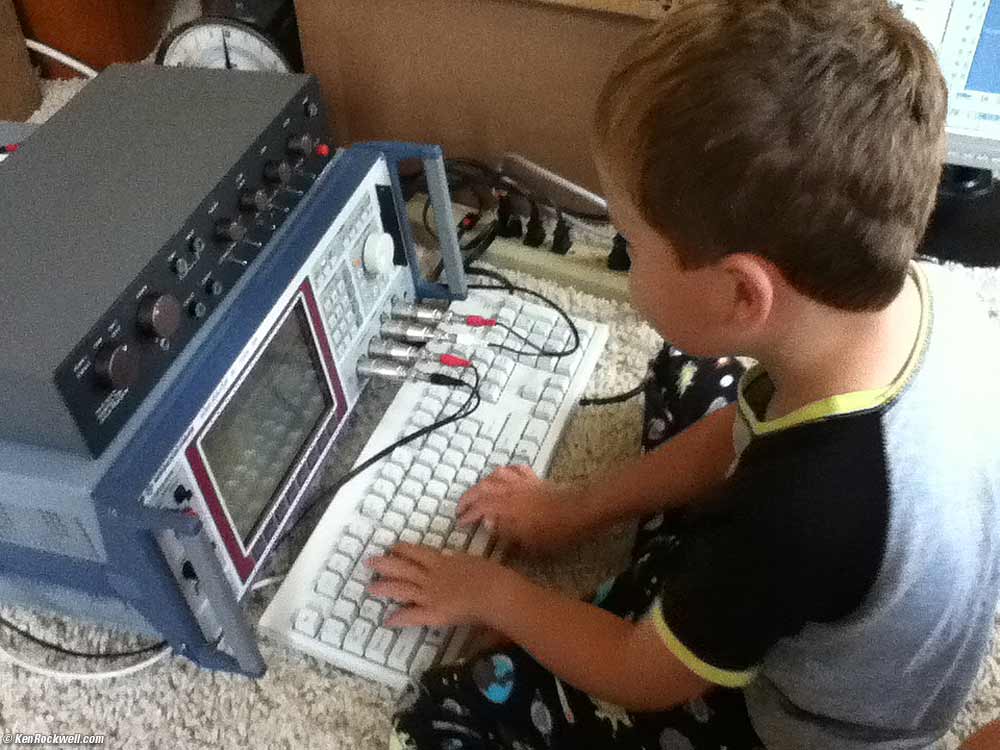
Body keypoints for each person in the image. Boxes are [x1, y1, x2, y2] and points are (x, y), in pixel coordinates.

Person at [366, 1, 1000, 747]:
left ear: (740, 294)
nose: (626, 261)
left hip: (805, 729)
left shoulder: (805, 506)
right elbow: (745, 427)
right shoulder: (930, 302)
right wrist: (576, 505)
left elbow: (643, 676)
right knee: (690, 374)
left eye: (632, 246)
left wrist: (492, 593)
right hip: (856, 578)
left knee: (454, 711)